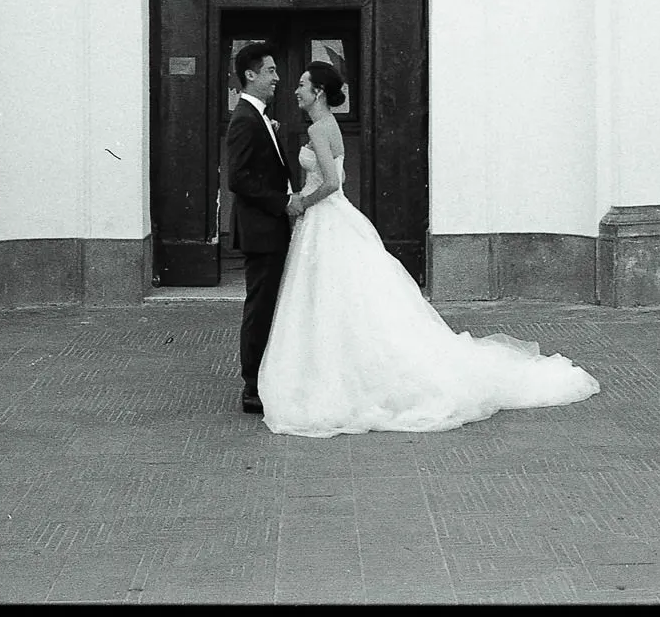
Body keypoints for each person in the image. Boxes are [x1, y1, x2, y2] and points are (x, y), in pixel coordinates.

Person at [257, 62, 600, 437]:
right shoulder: (331, 127)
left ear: (318, 92)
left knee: (328, 295)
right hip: (335, 219)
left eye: (303, 84)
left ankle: (330, 370)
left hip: (324, 216)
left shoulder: (317, 129)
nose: (296, 90)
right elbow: (342, 175)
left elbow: (334, 182)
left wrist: (302, 202)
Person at [226, 42, 292, 415]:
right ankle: (251, 386)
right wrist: (281, 202)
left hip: (268, 228)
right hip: (261, 230)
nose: (277, 78)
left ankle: (264, 376)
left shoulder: (259, 117)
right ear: (250, 75)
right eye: (270, 71)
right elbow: (238, 178)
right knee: (260, 306)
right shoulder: (244, 119)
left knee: (267, 304)